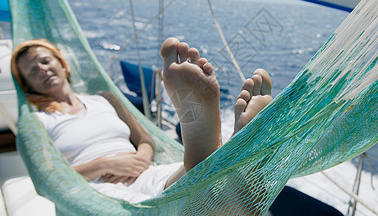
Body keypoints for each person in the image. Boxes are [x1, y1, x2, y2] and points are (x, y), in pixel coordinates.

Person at [10, 37, 273, 203]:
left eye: (45, 61)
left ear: (62, 64)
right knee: (174, 199)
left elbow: (145, 139)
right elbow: (47, 178)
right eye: (33, 71)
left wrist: (139, 160)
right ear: (26, 84)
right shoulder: (36, 121)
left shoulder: (104, 98)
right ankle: (212, 155)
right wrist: (105, 163)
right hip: (90, 187)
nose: (42, 69)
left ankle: (203, 155)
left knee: (175, 183)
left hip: (141, 170)